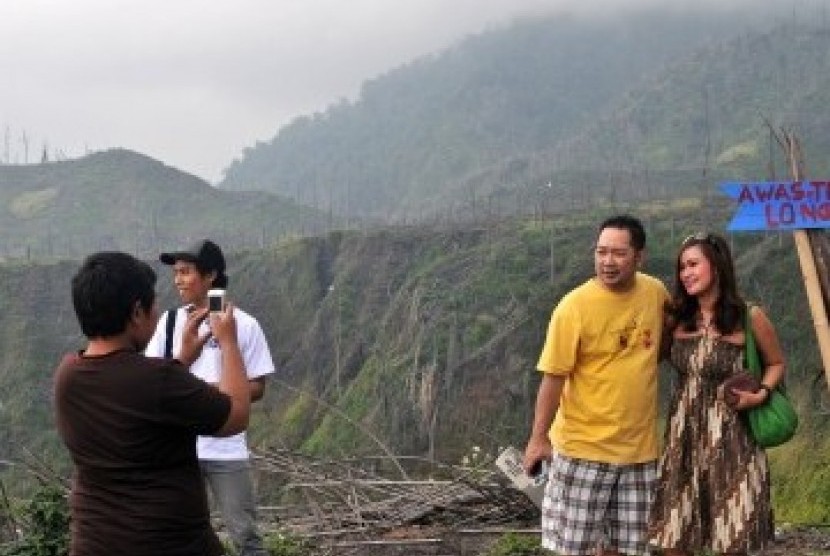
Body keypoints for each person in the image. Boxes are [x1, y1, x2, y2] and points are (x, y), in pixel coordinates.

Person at [54, 251, 250, 556]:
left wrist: (181, 361)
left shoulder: (68, 374)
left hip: (94, 543)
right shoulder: (158, 379)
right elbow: (236, 415)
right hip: (169, 544)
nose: (158, 314)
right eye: (153, 305)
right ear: (136, 312)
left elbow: (139, 399)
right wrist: (228, 341)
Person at [523, 214, 670, 556]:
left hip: (639, 453)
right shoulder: (573, 307)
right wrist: (537, 438)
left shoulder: (655, 292)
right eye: (601, 252)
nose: (608, 261)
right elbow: (553, 377)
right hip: (583, 449)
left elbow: (666, 341)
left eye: (618, 253)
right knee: (576, 548)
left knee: (629, 548)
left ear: (639, 256)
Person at [648, 232, 784, 555]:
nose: (686, 274)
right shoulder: (676, 319)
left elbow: (776, 363)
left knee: (734, 538)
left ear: (717, 266)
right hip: (683, 439)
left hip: (734, 441)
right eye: (682, 267)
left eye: (694, 264)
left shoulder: (750, 318)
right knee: (675, 537)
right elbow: (654, 357)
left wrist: (761, 394)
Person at [145, 239, 275, 556]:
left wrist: (212, 393)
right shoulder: (170, 323)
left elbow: (258, 386)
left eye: (186, 272)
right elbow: (152, 377)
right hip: (178, 449)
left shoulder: (243, 325)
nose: (177, 280)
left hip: (226, 449)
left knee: (245, 535)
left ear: (211, 275)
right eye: (176, 273)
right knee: (176, 535)